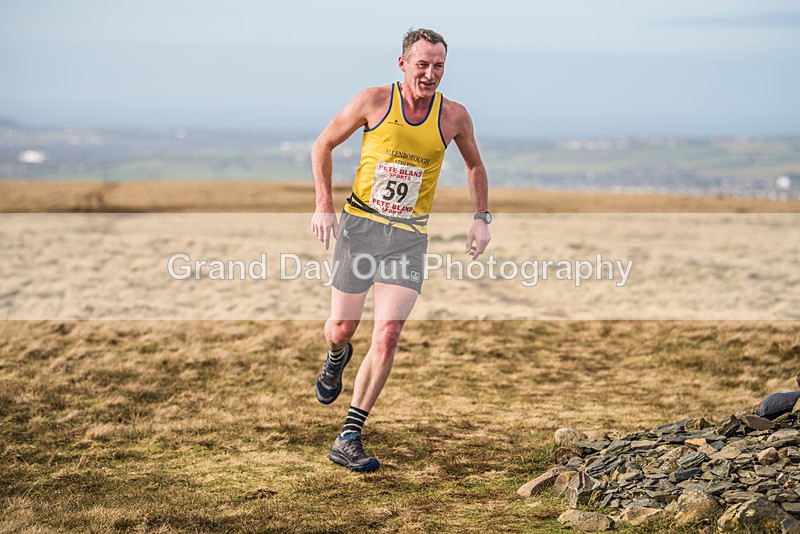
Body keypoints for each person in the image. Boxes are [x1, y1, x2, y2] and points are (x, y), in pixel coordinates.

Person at [310, 28, 492, 472]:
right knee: (342, 328)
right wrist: (324, 205)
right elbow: (323, 144)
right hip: (360, 229)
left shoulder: (454, 116)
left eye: (439, 66)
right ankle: (335, 356)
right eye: (422, 65)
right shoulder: (373, 101)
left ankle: (349, 435)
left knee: (388, 333)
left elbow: (474, 164)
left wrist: (481, 217)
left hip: (408, 238)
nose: (430, 74)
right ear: (403, 64)